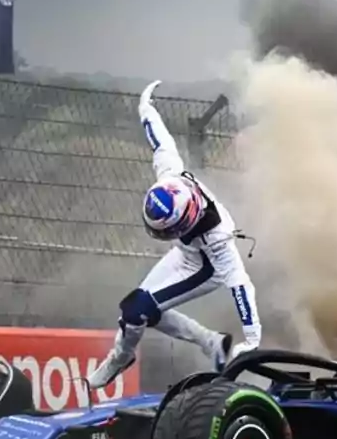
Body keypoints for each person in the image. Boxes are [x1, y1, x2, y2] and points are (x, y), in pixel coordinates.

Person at [85, 80, 261, 390]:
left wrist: (252, 338)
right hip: (185, 254)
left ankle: (121, 356)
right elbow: (161, 142)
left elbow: (240, 285)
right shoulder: (172, 177)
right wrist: (146, 107)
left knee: (136, 310)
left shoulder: (217, 238)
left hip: (205, 268)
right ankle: (211, 342)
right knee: (140, 311)